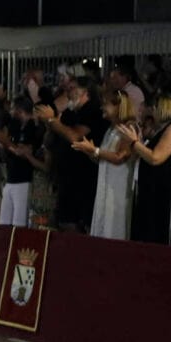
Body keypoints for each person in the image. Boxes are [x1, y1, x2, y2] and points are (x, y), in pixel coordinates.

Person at [121, 94, 171, 245]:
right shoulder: (162, 129)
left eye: (156, 107)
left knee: (163, 237)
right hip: (154, 191)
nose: (152, 111)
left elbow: (156, 157)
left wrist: (134, 142)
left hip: (168, 193)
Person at [37, 75, 106, 232]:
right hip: (66, 176)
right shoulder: (69, 112)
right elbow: (51, 139)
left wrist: (53, 121)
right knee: (64, 220)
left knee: (82, 222)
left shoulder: (92, 111)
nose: (67, 93)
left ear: (85, 91)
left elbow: (76, 137)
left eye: (71, 89)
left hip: (84, 176)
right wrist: (50, 125)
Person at [73, 89, 138, 240]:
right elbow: (103, 158)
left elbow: (120, 157)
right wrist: (89, 151)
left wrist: (95, 150)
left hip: (117, 193)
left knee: (114, 232)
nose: (102, 107)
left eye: (106, 104)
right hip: (104, 189)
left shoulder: (129, 128)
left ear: (118, 106)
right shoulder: (110, 129)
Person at [0, 97, 41, 227]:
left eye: (12, 108)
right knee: (4, 222)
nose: (10, 111)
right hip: (10, 179)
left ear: (19, 110)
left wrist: (5, 142)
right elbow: (5, 156)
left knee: (19, 224)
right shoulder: (14, 127)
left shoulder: (33, 127)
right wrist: (2, 145)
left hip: (23, 181)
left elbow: (22, 152)